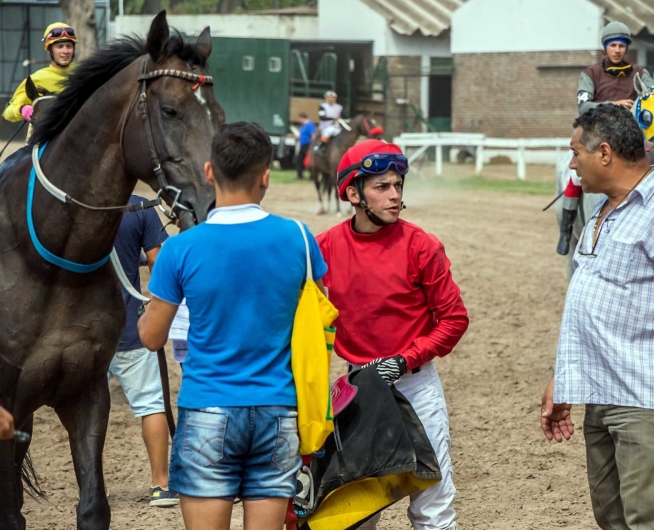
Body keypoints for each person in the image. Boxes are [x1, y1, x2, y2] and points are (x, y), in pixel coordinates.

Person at [138, 122, 326, 530]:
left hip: (208, 407)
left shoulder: (178, 249)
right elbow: (320, 313)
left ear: (208, 171)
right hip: (279, 409)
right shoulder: (298, 237)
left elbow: (152, 337)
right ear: (266, 177)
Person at [540, 104, 654, 529]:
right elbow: (590, 301)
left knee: (650, 521)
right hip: (600, 394)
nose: (571, 163)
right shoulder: (604, 211)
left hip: (646, 400)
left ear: (604, 153)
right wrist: (563, 379)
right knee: (613, 519)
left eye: (575, 152)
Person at [316, 139, 469, 530]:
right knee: (355, 513)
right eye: (381, 187)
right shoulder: (324, 248)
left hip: (417, 387)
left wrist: (403, 360)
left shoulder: (423, 246)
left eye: (398, 185)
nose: (394, 195)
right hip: (358, 392)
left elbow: (454, 319)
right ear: (353, 193)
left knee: (433, 508)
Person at [557, 21, 654, 255]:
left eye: (622, 45)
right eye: (613, 45)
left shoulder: (641, 74)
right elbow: (583, 107)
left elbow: (653, 99)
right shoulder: (590, 74)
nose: (618, 50)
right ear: (605, 48)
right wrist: (613, 104)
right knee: (575, 175)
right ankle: (566, 229)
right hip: (597, 136)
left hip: (631, 139)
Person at [107, 195, 178, 507]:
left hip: (78, 334)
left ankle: (92, 487)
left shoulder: (72, 202)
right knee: (151, 404)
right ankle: (161, 485)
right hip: (127, 328)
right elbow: (158, 265)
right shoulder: (140, 207)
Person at [3, 23, 77, 125]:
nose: (65, 51)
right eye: (60, 46)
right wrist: (22, 109)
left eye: (69, 46)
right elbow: (7, 113)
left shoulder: (83, 76)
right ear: (49, 50)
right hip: (42, 139)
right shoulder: (36, 79)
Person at [295, 113, 316, 180]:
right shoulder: (303, 126)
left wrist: (312, 145)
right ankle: (299, 175)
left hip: (308, 145)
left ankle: (312, 176)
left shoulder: (309, 125)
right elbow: (303, 135)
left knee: (309, 161)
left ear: (302, 118)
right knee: (299, 160)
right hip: (303, 145)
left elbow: (313, 135)